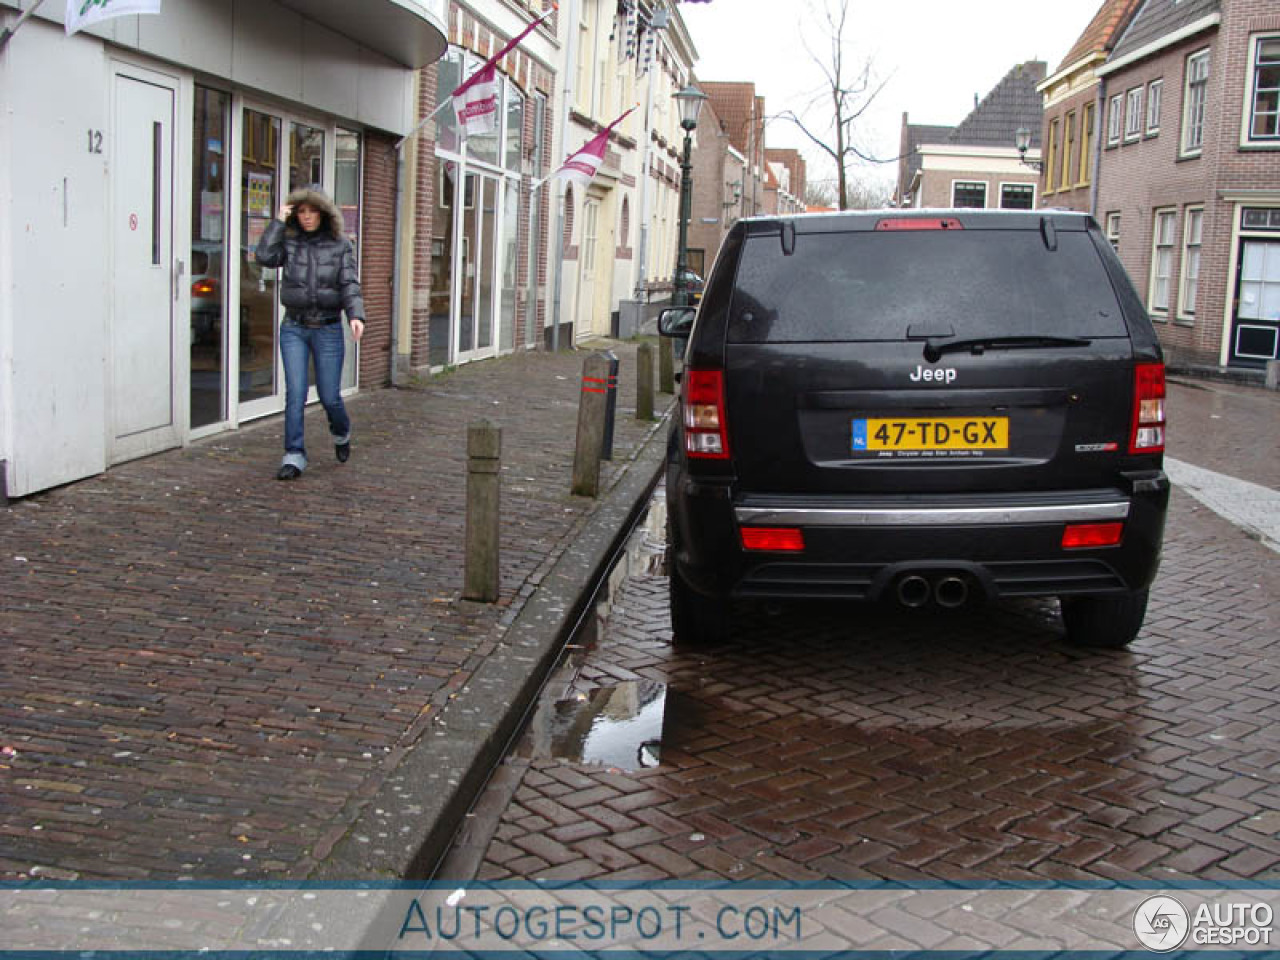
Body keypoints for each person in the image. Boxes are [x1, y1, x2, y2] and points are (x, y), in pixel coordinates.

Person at [255, 187, 366, 480]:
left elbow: (349, 285)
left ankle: (341, 432)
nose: (306, 218)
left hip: (328, 328)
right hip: (294, 327)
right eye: (301, 212)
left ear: (323, 213)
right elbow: (264, 256)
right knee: (296, 393)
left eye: (312, 211)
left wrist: (355, 315)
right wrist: (279, 221)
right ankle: (294, 455)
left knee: (330, 397)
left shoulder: (340, 245)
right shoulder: (289, 244)